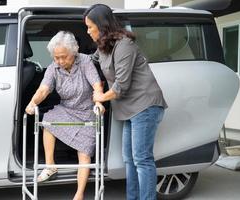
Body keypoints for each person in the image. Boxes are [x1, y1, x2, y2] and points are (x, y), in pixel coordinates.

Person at [84, 4, 168, 200]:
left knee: (142, 159)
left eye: (90, 27)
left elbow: (122, 84)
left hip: (145, 105)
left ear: (101, 26)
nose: (87, 31)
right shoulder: (103, 46)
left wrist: (101, 97)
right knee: (129, 160)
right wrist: (68, 58)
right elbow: (90, 60)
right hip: (129, 109)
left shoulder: (124, 45)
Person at [25, 31, 104, 200]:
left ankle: (79, 194)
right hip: (67, 109)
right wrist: (32, 103)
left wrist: (98, 102)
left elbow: (97, 85)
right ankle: (50, 166)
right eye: (56, 57)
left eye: (63, 57)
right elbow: (44, 89)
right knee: (48, 120)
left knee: (84, 154)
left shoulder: (85, 61)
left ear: (73, 52)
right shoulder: (54, 68)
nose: (60, 61)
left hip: (87, 111)